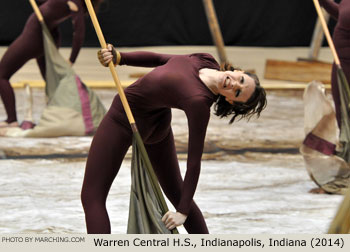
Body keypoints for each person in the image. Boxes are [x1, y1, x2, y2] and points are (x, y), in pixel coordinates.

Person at [81, 44, 267, 234]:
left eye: (237, 93)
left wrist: (183, 212)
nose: (235, 85)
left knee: (92, 196)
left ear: (230, 101)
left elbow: (194, 162)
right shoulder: (206, 59)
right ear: (239, 71)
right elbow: (161, 60)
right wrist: (120, 57)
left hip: (123, 121)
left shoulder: (198, 102)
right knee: (176, 193)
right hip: (158, 124)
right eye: (241, 80)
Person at [0, 0, 103, 128]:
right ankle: (60, 116)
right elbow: (45, 4)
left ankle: (11, 120)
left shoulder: (75, 2)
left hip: (36, 38)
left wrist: (72, 59)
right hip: (43, 37)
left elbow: (79, 33)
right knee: (52, 83)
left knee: (1, 75)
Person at [318, 0, 350, 129]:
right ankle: (346, 142)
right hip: (341, 62)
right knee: (342, 106)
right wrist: (324, 2)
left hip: (347, 61)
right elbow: (342, 15)